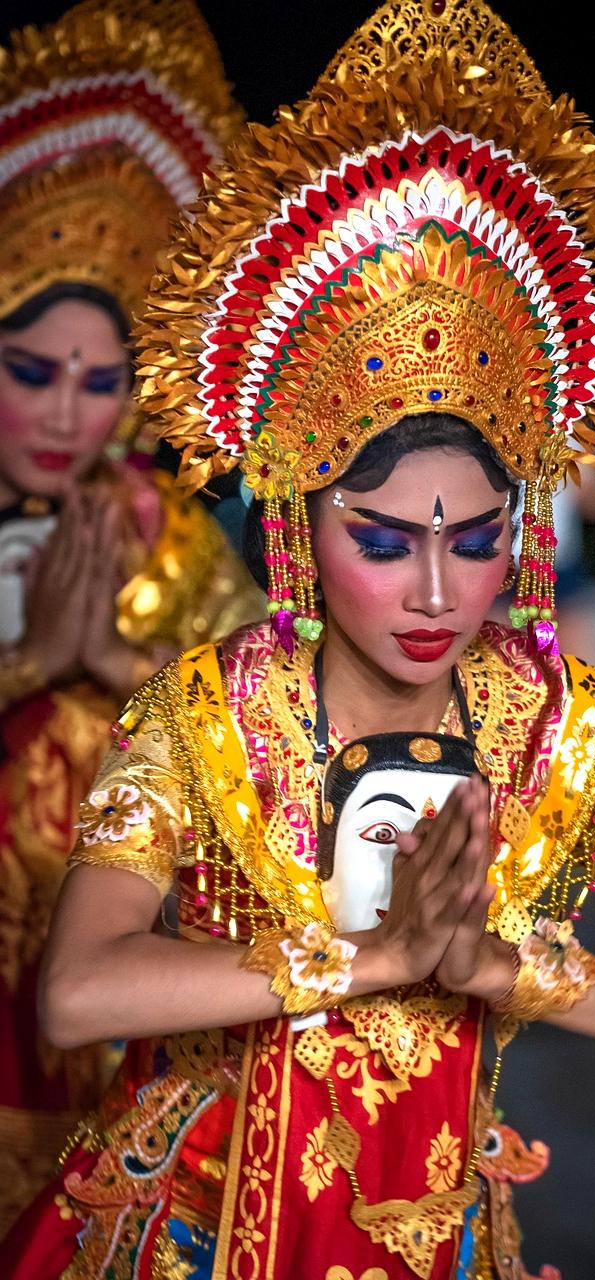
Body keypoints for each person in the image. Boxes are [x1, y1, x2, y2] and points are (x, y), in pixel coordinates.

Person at [3, 2, 595, 1276]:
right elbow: (81, 990)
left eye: (475, 541)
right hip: (197, 1239)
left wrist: (500, 967)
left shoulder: (564, 724)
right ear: (300, 527)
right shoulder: (212, 706)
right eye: (382, 540)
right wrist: (372, 958)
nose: (433, 591)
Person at [0, 0, 262, 1234]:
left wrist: (110, 658)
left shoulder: (168, 534)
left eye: (101, 381)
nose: (68, 411)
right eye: (31, 371)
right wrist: (29, 664)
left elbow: (273, 727)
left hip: (115, 1022)